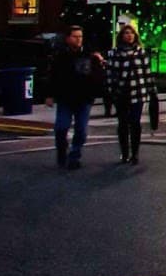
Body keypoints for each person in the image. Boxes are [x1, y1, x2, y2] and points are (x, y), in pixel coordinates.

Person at [46, 25, 101, 170]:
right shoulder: (61, 56)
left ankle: (74, 156)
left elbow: (96, 75)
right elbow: (53, 76)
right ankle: (61, 151)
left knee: (81, 130)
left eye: (80, 37)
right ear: (68, 38)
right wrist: (50, 95)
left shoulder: (89, 55)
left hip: (84, 98)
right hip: (65, 98)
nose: (78, 40)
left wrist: (94, 92)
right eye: (75, 36)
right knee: (61, 127)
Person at [104, 23, 155, 165]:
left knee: (135, 123)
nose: (129, 35)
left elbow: (147, 73)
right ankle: (125, 152)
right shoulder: (115, 53)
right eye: (126, 33)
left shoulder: (141, 53)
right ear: (122, 36)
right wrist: (111, 91)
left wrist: (152, 91)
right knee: (123, 123)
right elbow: (111, 73)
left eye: (131, 33)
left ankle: (135, 153)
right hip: (121, 93)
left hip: (137, 93)